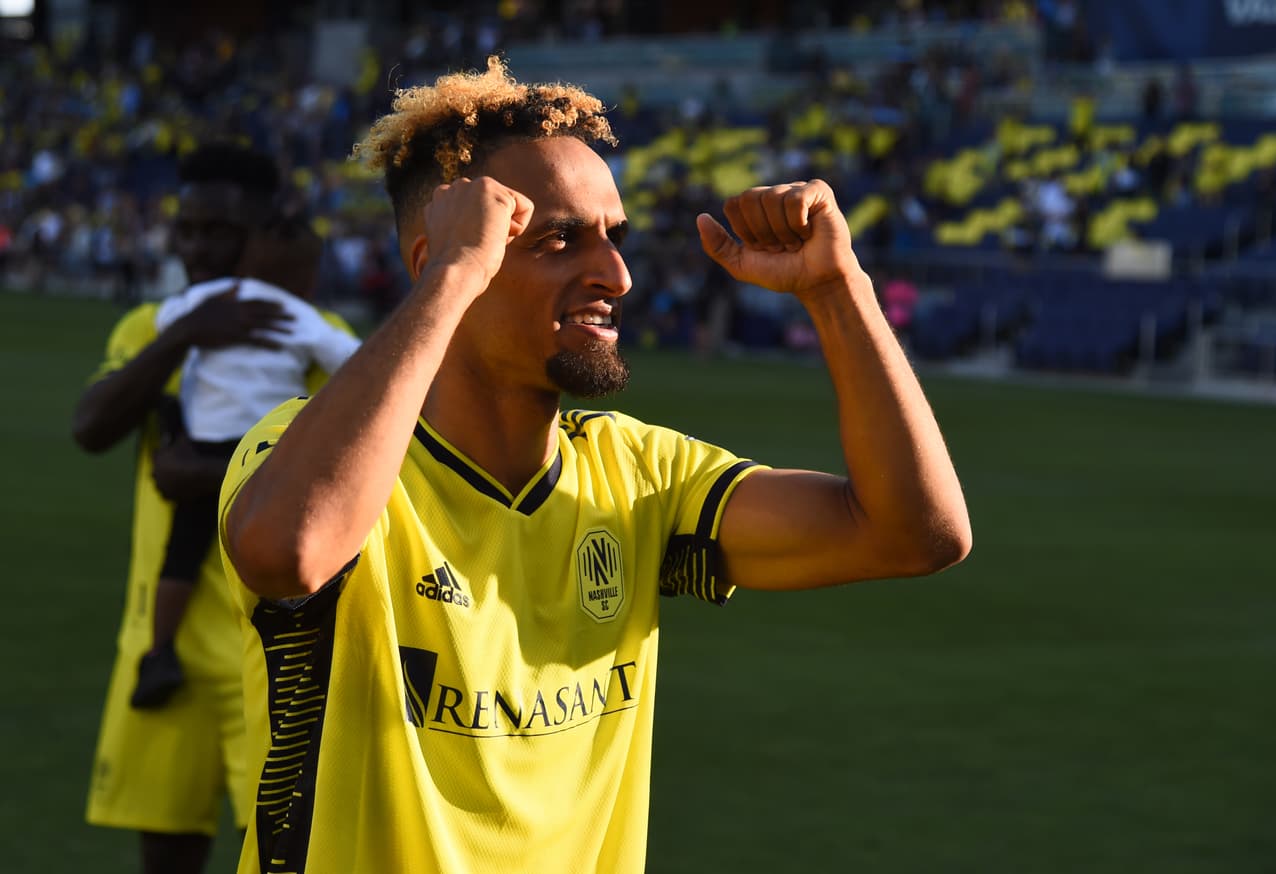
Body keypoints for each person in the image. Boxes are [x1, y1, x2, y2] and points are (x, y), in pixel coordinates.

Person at [219, 58, 971, 874]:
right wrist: (454, 280)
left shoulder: (638, 474)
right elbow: (290, 552)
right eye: (556, 240)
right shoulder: (310, 451)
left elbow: (913, 535)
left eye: (613, 236)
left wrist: (837, 291)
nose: (615, 275)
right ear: (438, 258)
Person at [72, 142, 355, 874]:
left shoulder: (307, 330)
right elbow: (91, 428)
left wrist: (217, 473)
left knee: (276, 857)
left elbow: (370, 456)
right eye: (187, 228)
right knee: (166, 855)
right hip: (163, 652)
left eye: (218, 232)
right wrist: (188, 334)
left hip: (274, 647)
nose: (197, 248)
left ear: (261, 230)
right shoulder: (155, 325)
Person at [131, 214, 361, 709]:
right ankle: (298, 652)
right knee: (281, 549)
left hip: (204, 447)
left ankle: (160, 652)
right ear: (306, 277)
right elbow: (351, 358)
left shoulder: (213, 302)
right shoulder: (299, 317)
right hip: (264, 453)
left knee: (182, 553)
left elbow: (169, 322)